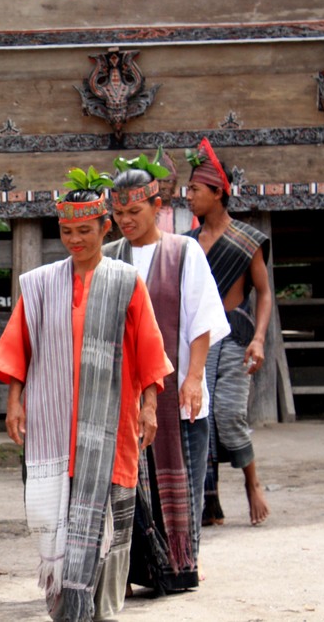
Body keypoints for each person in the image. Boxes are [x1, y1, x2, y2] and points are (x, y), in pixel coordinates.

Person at [0, 167, 172, 622]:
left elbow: (150, 350)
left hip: (111, 423)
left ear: (104, 227)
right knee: (54, 520)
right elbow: (18, 345)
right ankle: (65, 608)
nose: (75, 239)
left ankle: (101, 610)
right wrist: (15, 402)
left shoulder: (126, 281)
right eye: (67, 231)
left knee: (108, 518)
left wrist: (149, 406)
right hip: (52, 425)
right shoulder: (41, 284)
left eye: (84, 230)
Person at [103, 157, 229, 594]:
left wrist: (194, 378)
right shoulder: (108, 258)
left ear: (156, 207)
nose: (125, 221)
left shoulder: (183, 251)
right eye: (118, 214)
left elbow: (202, 322)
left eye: (133, 213)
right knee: (131, 485)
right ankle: (141, 567)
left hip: (177, 390)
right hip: (125, 393)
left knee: (181, 481)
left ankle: (178, 564)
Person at [184, 137, 272, 527]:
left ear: (218, 194)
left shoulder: (246, 239)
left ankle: (253, 483)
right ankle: (210, 501)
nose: (188, 196)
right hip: (199, 338)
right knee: (199, 414)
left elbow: (265, 293)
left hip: (235, 334)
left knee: (229, 413)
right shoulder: (186, 245)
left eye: (195, 190)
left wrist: (258, 339)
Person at [155, 150, 200, 234]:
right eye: (159, 181)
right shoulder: (147, 213)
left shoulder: (187, 213)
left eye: (168, 181)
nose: (162, 186)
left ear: (175, 183)